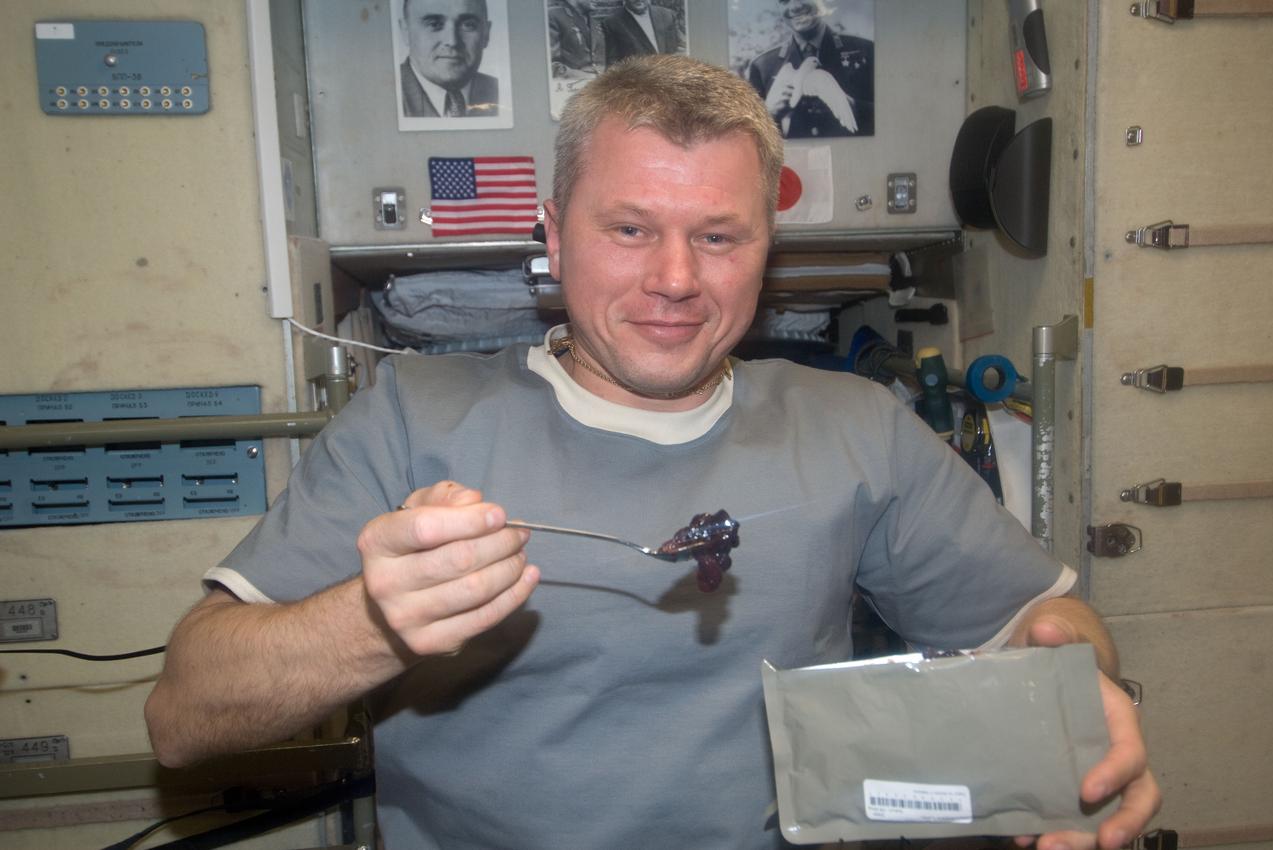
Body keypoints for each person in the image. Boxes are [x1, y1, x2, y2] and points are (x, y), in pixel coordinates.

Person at [146, 55, 1159, 849]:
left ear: (768, 245)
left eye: (718, 237)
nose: (674, 279)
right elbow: (184, 716)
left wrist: (1077, 687)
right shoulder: (414, 419)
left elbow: (1040, 615)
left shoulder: (854, 428)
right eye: (628, 229)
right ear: (552, 232)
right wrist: (371, 620)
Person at [746, 0, 875, 138]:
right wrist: (769, 113)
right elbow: (750, 140)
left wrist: (852, 105)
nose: (794, 6)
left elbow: (890, 116)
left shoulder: (867, 50)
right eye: (784, 0)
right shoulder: (762, 66)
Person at [399, 0, 499, 118]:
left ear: (486, 34)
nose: (452, 41)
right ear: (405, 31)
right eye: (434, 24)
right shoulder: (385, 93)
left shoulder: (502, 93)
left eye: (468, 25)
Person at [601, 0, 683, 67]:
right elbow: (613, 62)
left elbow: (677, 49)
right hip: (637, 80)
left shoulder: (667, 15)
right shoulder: (612, 23)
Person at [549, 0, 598, 80]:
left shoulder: (595, 23)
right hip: (572, 85)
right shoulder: (553, 16)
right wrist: (589, 77)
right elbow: (550, 64)